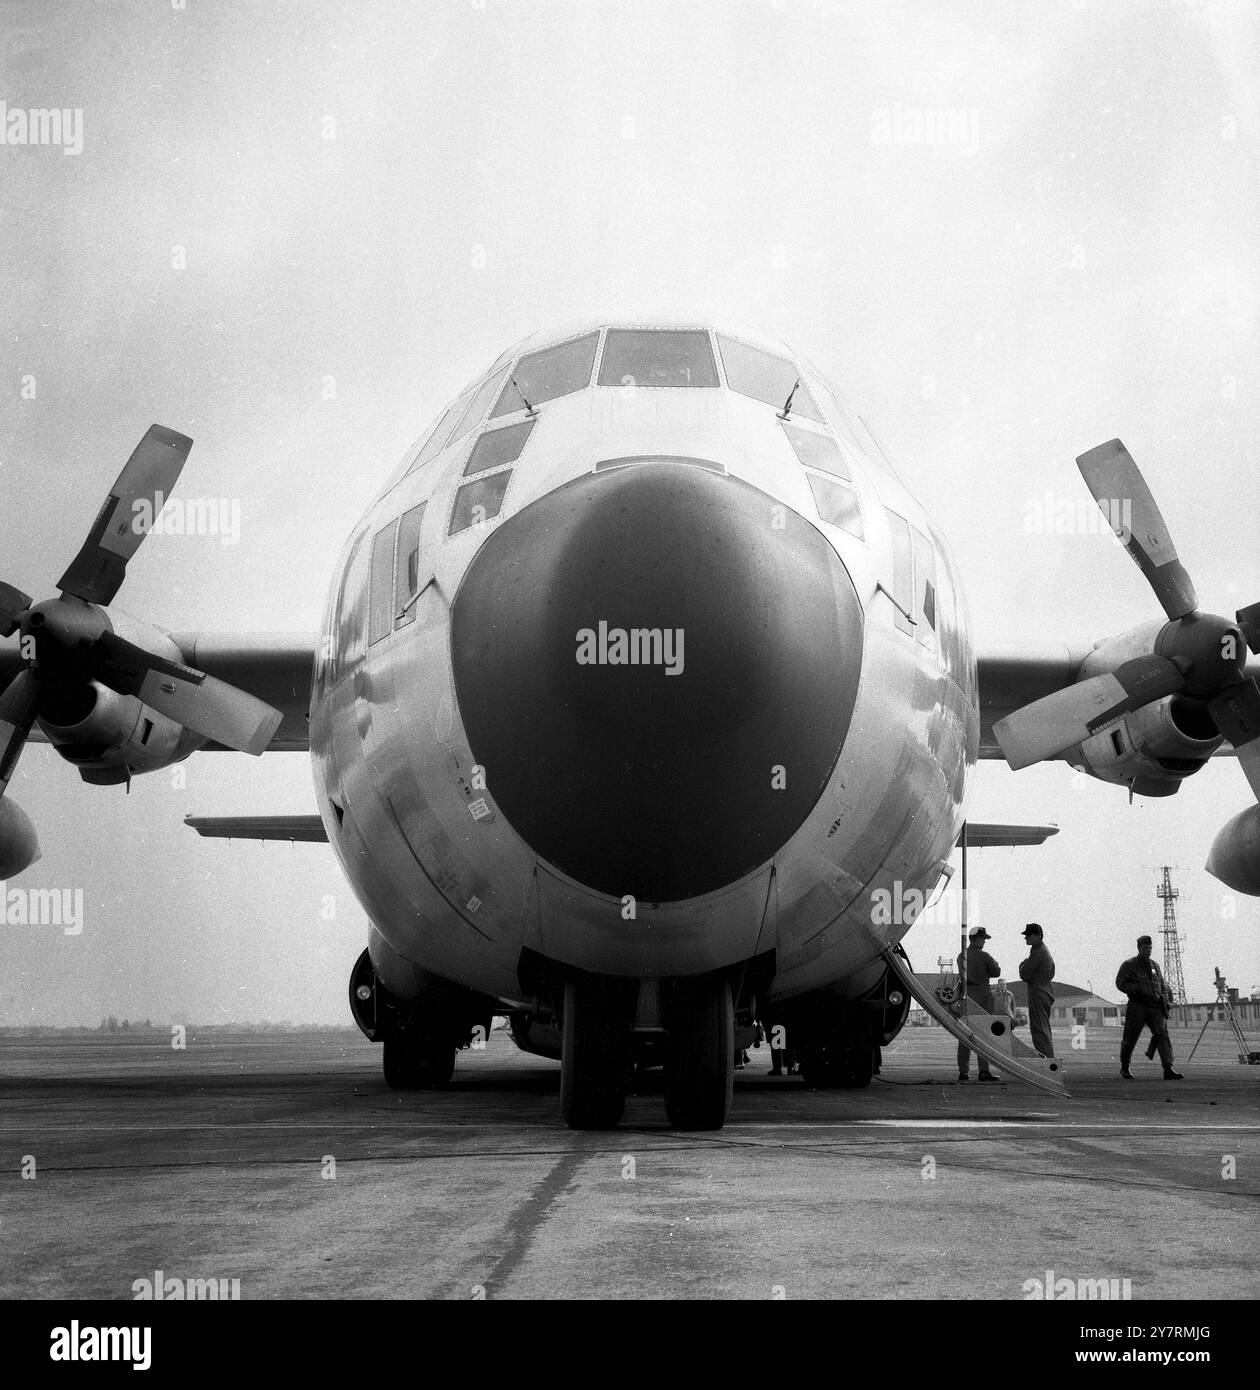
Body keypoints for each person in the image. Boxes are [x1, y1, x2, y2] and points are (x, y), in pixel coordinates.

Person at [1116, 935, 1183, 1080]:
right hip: (1137, 1005)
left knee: (1162, 1036)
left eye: (1150, 947)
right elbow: (1120, 983)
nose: (1148, 950)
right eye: (1145, 947)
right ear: (1139, 948)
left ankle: (1168, 1068)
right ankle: (1125, 1067)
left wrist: (1165, 998)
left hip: (1155, 1007)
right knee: (1130, 1037)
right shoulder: (1129, 965)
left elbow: (1161, 984)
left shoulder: (1155, 965)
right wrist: (1137, 989)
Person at [956, 926, 1001, 1083]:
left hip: (967, 997)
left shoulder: (961, 956)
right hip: (983, 997)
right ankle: (983, 1071)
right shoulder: (985, 956)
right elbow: (996, 972)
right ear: (977, 939)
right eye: (983, 939)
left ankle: (963, 1071)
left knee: (965, 1036)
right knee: (983, 1036)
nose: (984, 942)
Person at [1018, 923, 1056, 1058]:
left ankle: (1048, 1063)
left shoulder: (1038, 952)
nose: (1025, 938)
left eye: (1028, 935)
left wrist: (1022, 965)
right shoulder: (1039, 950)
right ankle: (1048, 1060)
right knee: (1042, 1029)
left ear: (1037, 936)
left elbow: (1025, 973)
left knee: (1039, 1030)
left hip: (1038, 993)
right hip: (1043, 992)